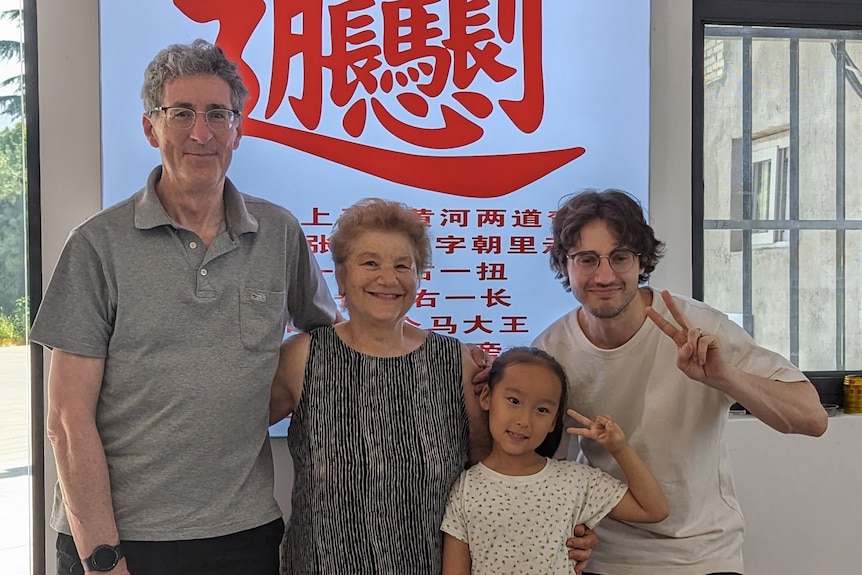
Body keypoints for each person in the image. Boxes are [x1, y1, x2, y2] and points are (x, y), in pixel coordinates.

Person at [30, 39, 338, 575]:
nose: (202, 133)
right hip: (121, 540)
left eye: (218, 114)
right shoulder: (96, 246)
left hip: (243, 533)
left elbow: (333, 345)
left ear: (238, 128)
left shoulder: (279, 233)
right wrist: (103, 558)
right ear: (151, 128)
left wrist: (450, 368)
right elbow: (65, 419)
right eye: (182, 114)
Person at [532, 188, 828, 575]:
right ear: (565, 265)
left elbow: (811, 419)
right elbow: (546, 472)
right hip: (602, 557)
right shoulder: (552, 350)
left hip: (702, 555)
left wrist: (726, 378)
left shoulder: (699, 329)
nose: (604, 275)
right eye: (586, 260)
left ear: (641, 262)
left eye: (620, 257)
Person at [440, 347, 668, 575]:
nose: (524, 420)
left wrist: (619, 448)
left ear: (553, 422)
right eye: (514, 400)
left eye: (541, 409)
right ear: (487, 397)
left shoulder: (575, 480)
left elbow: (652, 510)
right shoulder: (465, 488)